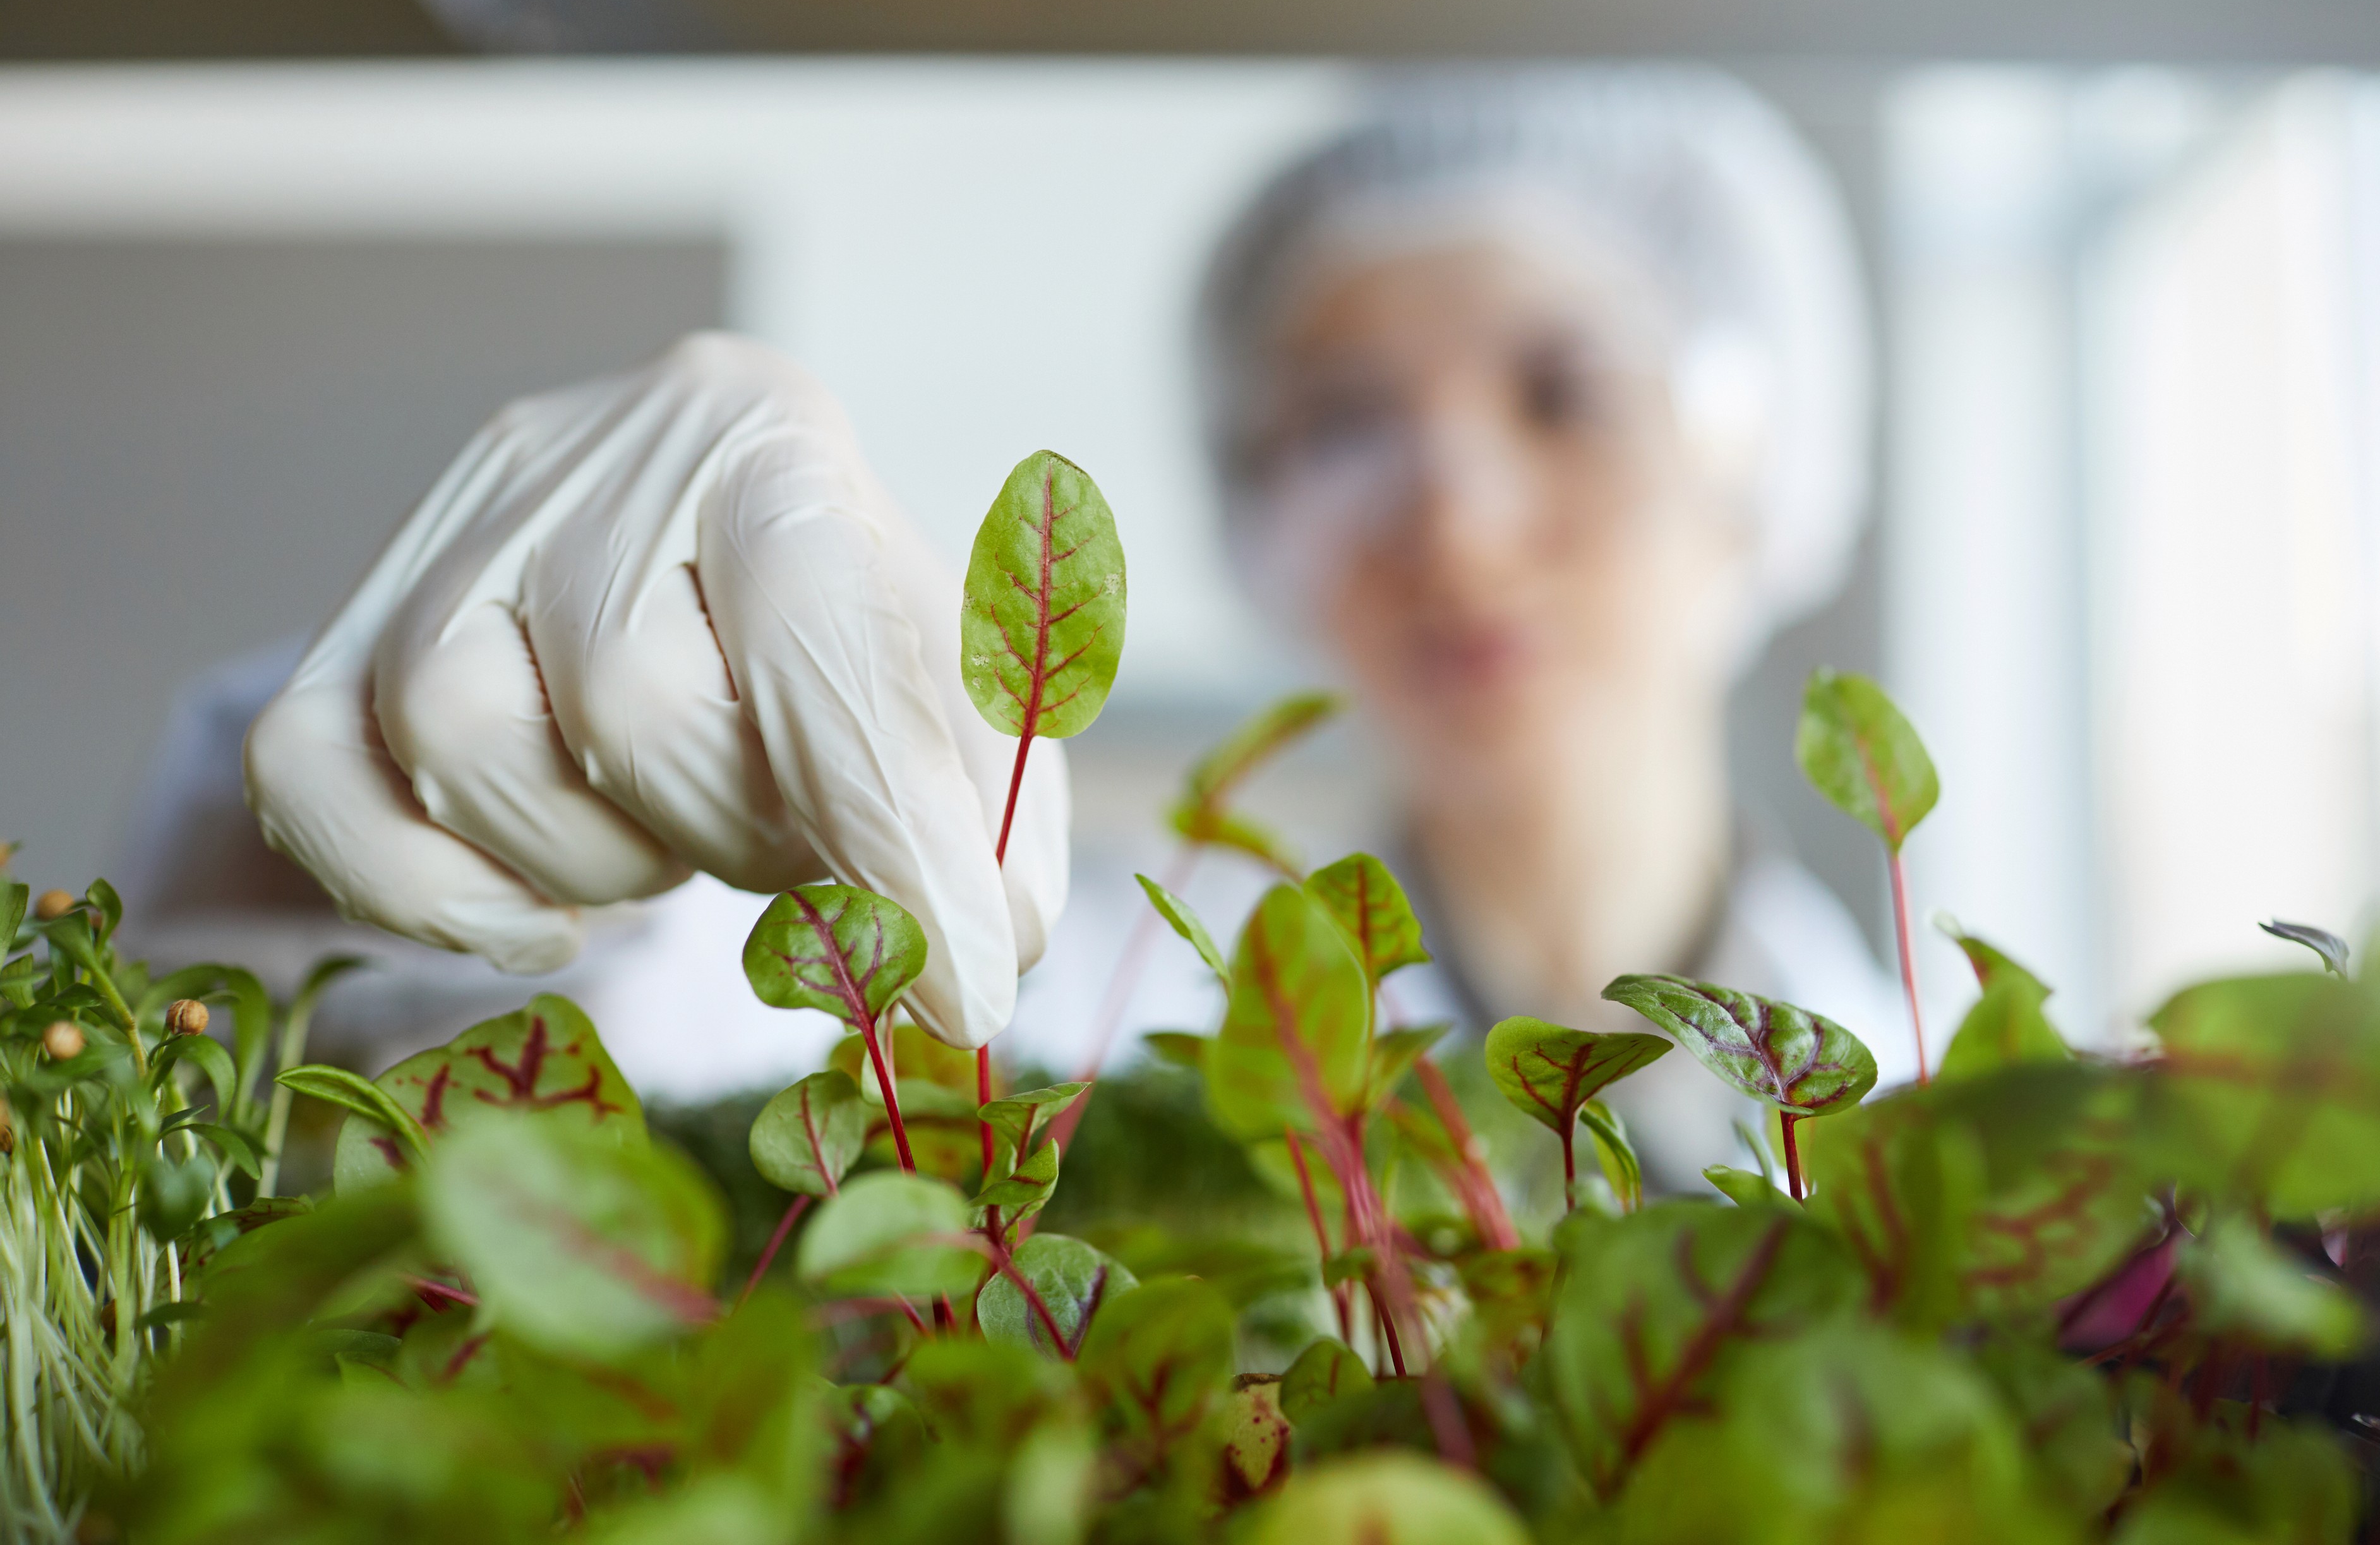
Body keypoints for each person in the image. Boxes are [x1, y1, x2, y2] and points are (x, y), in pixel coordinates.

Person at [213, 66, 1930, 1181]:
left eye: (1564, 391)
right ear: (1259, 516)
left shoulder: (1967, 1108)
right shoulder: (1073, 1000)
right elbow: (514, 1054)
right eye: (1347, 423)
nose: (1457, 517)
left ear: (1759, 472)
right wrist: (524, 791)